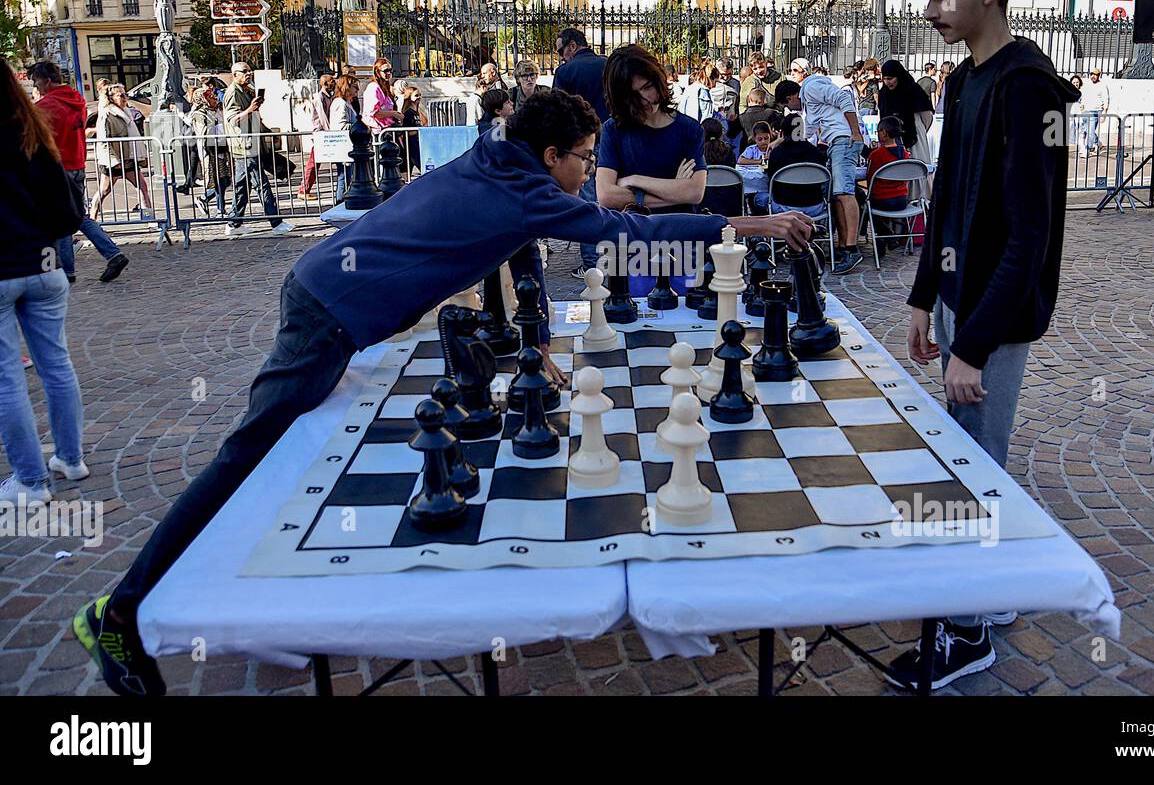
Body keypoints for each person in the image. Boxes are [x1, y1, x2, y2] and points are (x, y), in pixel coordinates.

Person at [72, 87, 815, 696]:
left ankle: (251, 605)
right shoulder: (524, 185)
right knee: (246, 456)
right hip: (330, 310)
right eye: (583, 160)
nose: (590, 171)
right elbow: (625, 233)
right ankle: (119, 610)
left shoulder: (499, 161)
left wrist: (537, 340)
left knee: (279, 450)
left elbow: (515, 248)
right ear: (550, 155)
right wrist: (750, 221)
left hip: (330, 292)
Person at [896, 0, 1080, 690]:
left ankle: (968, 631)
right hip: (958, 306)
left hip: (994, 320)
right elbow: (945, 199)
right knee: (963, 458)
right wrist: (921, 296)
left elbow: (1032, 236)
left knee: (975, 468)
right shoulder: (962, 81)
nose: (930, 7)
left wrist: (970, 341)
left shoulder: (1032, 87)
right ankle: (991, 594)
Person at [0, 59, 88, 505]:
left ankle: (31, 481)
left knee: (6, 379)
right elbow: (68, 213)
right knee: (56, 364)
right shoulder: (35, 136)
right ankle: (70, 458)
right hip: (44, 265)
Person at [30, 62, 128, 284]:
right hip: (76, 163)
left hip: (56, 167)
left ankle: (68, 270)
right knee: (77, 216)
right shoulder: (77, 100)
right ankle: (113, 254)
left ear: (45, 81)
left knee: (63, 218)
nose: (36, 86)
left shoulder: (45, 106)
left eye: (36, 82)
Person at [596, 45, 708, 218]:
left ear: (659, 80)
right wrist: (675, 190)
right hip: (631, 238)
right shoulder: (613, 130)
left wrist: (634, 180)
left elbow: (694, 192)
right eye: (633, 95)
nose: (645, 100)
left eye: (648, 87)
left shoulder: (690, 130)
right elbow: (606, 196)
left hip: (680, 235)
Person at [783, 59, 867, 273]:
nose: (789, 109)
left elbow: (844, 98)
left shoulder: (811, 87)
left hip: (844, 139)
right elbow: (806, 132)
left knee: (844, 192)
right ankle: (842, 246)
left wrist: (855, 132)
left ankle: (851, 248)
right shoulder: (810, 105)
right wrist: (780, 143)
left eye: (787, 104)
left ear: (792, 97)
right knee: (836, 195)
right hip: (837, 141)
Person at [552, 27, 610, 277]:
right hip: (612, 134)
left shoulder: (565, 72)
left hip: (580, 141)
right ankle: (615, 260)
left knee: (588, 199)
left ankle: (592, 264)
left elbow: (557, 109)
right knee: (613, 197)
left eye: (561, 50)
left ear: (573, 46)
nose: (560, 56)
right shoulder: (609, 65)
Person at [224, 62, 292, 237]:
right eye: (245, 72)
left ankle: (234, 223)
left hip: (249, 145)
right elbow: (232, 118)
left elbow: (254, 117)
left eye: (250, 71)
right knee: (261, 185)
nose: (249, 74)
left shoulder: (246, 90)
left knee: (242, 187)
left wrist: (267, 132)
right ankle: (275, 222)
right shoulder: (233, 92)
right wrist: (250, 109)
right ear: (235, 74)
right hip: (245, 146)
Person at [90, 83, 153, 222]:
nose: (125, 98)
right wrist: (113, 161)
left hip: (128, 157)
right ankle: (92, 220)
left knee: (142, 186)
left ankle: (150, 219)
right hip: (114, 161)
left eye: (125, 94)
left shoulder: (126, 111)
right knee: (104, 190)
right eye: (121, 95)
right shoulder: (107, 114)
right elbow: (103, 140)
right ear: (111, 98)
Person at [862, 115, 912, 257]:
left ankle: (886, 235)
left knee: (865, 205)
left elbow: (870, 180)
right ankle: (887, 238)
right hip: (902, 199)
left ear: (883, 132)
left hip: (882, 200)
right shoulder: (905, 153)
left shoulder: (876, 155)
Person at [766, 113, 829, 218]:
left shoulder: (777, 153)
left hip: (784, 206)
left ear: (782, 131)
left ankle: (764, 232)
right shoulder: (816, 152)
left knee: (757, 198)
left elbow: (770, 180)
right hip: (814, 206)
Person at [877, 60, 935, 167]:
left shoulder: (913, 90)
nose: (887, 82)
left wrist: (919, 129)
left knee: (916, 166)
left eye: (890, 78)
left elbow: (926, 115)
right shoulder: (884, 94)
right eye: (884, 79)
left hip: (913, 132)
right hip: (891, 137)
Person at [186, 83, 228, 217]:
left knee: (225, 179)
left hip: (221, 147)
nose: (213, 97)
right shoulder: (199, 114)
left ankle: (204, 198)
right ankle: (220, 209)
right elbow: (204, 132)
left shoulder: (216, 110)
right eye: (209, 96)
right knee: (218, 180)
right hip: (209, 150)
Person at [296, 71, 335, 201]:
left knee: (315, 163)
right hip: (321, 133)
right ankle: (303, 189)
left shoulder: (329, 96)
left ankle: (304, 189)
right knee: (313, 163)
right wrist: (331, 132)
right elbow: (322, 116)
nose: (334, 83)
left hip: (324, 133)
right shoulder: (319, 97)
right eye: (331, 82)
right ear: (325, 84)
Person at [329, 73, 360, 205]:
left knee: (346, 176)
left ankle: (343, 202)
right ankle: (340, 203)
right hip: (343, 145)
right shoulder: (340, 103)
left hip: (347, 145)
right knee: (344, 176)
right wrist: (358, 125)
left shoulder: (345, 103)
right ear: (346, 87)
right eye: (354, 87)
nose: (357, 90)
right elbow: (340, 126)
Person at [737, 118, 773, 210]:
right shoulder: (752, 149)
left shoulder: (773, 149)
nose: (763, 142)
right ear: (754, 138)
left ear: (770, 136)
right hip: (754, 186)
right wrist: (760, 161)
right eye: (760, 139)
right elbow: (740, 160)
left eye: (766, 138)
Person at [1079, 67, 1109, 157]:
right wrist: (1082, 106)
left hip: (1095, 111)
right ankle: (1098, 144)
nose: (1093, 76)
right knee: (1087, 129)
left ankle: (1088, 149)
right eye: (1091, 74)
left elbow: (1106, 99)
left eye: (1095, 75)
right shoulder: (1087, 85)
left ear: (1098, 76)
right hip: (1086, 110)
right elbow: (1084, 96)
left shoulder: (1102, 86)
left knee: (1090, 131)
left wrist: (1104, 112)